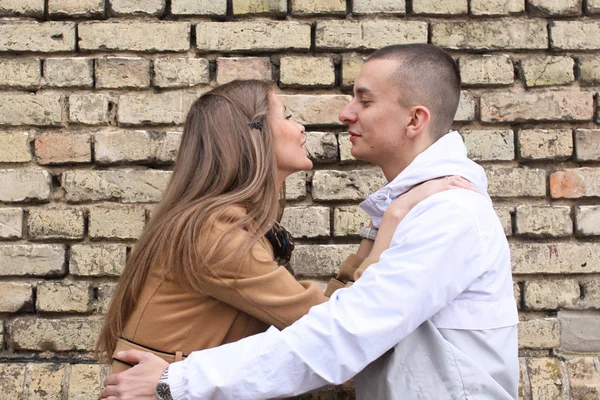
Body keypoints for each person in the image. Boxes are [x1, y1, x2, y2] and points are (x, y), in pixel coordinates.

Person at [101, 44, 518, 400]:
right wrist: (383, 230)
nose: (343, 113)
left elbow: (338, 333)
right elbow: (329, 327)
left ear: (415, 120)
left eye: (365, 100)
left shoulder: (447, 212)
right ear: (254, 138)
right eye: (289, 115)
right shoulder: (219, 229)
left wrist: (179, 380)